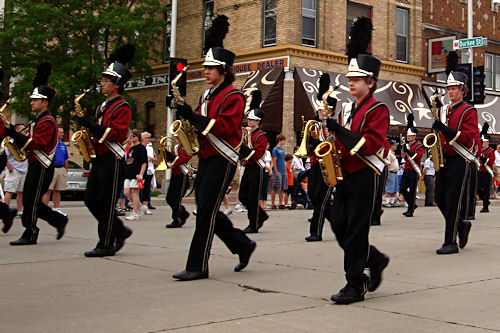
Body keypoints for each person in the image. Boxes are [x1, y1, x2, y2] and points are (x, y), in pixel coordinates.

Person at [172, 14, 256, 280]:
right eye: (205, 68)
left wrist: (193, 115)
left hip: (223, 158)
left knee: (205, 211)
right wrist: (184, 116)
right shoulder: (207, 95)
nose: (205, 71)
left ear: (223, 70)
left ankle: (197, 266)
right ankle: (243, 244)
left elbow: (223, 127)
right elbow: (199, 124)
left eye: (210, 68)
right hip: (207, 156)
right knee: (207, 208)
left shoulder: (234, 96)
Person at [325, 16, 389, 304]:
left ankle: (355, 284)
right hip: (346, 175)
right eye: (349, 79)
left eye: (356, 79)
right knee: (339, 223)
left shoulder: (378, 109)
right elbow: (341, 143)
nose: (350, 83)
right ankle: (374, 259)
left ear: (370, 82)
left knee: (356, 230)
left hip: (365, 175)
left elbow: (368, 145)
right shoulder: (348, 109)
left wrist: (337, 129)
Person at [77, 43, 135, 257]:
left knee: (107, 202)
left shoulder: (122, 106)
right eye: (103, 80)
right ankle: (119, 230)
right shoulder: (103, 106)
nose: (102, 84)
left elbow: (116, 133)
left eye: (106, 81)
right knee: (91, 199)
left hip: (112, 158)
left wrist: (91, 125)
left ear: (117, 85)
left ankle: (106, 243)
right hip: (99, 158)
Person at [7, 62, 68, 246]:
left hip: (42, 166)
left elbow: (38, 143)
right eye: (32, 99)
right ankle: (58, 220)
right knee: (31, 200)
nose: (31, 102)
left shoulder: (48, 121)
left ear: (45, 102)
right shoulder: (39, 119)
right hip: (36, 164)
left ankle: (31, 232)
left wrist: (15, 135)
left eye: (35, 100)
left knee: (30, 200)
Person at [432, 69, 478, 255]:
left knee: (452, 201)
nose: (450, 92)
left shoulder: (469, 110)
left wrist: (445, 129)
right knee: (440, 197)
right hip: (444, 159)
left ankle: (450, 242)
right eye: (449, 88)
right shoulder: (444, 111)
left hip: (459, 159)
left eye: (454, 88)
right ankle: (461, 225)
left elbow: (468, 137)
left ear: (463, 90)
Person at [239, 95, 269, 233]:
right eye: (249, 119)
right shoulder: (249, 134)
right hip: (249, 166)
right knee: (242, 196)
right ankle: (260, 215)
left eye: (252, 119)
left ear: (258, 121)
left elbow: (258, 153)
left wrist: (243, 150)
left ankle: (254, 223)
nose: (249, 121)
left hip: (257, 167)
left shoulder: (260, 135)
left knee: (252, 196)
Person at [164, 135, 192, 228]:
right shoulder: (177, 148)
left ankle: (177, 219)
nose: (176, 139)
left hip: (182, 175)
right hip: (175, 174)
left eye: (178, 137)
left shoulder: (187, 148)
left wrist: (170, 155)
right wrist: (165, 154)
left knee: (176, 199)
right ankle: (183, 213)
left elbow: (181, 160)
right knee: (169, 198)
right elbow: (172, 160)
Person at [400, 116, 423, 217]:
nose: (408, 137)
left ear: (414, 136)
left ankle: (410, 210)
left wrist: (407, 150)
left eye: (410, 136)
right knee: (403, 189)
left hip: (414, 170)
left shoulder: (418, 146)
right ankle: (412, 204)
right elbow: (404, 157)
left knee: (413, 191)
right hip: (407, 169)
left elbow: (417, 157)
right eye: (408, 136)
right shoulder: (408, 145)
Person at [42, 127, 68, 215]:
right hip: (52, 168)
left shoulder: (63, 145)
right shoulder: (51, 144)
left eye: (63, 132)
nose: (62, 134)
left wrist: (65, 169)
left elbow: (66, 158)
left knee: (58, 190)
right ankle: (44, 209)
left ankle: (56, 208)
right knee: (48, 189)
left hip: (61, 169)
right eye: (60, 132)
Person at [3, 124, 28, 217]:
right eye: (23, 130)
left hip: (24, 170)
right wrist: (9, 168)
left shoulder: (24, 141)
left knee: (20, 192)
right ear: (17, 131)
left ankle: (19, 210)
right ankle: (5, 211)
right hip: (14, 170)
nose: (25, 132)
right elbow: (5, 156)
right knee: (9, 191)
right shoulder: (10, 142)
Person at [123, 129, 148, 221]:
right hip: (129, 174)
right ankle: (141, 206)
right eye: (130, 136)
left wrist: (141, 174)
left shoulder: (141, 148)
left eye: (133, 136)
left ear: (138, 137)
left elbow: (144, 162)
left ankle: (135, 212)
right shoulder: (131, 148)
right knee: (126, 192)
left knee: (135, 192)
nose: (131, 138)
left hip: (137, 174)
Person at [477, 131, 495, 213]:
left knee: (486, 190)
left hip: (486, 172)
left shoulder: (491, 151)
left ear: (487, 142)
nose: (482, 143)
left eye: (483, 142)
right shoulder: (479, 150)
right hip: (479, 171)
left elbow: (491, 161)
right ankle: (485, 201)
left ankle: (485, 206)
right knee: (477, 189)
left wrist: (485, 160)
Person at [140, 131, 156, 215]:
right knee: (139, 188)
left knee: (146, 188)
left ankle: (145, 206)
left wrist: (151, 158)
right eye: (147, 138)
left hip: (149, 170)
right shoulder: (140, 147)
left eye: (149, 138)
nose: (149, 139)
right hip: (141, 170)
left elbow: (155, 158)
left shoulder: (150, 147)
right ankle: (139, 205)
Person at [271, 134, 287, 209]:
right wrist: (276, 170)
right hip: (278, 170)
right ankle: (273, 203)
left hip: (283, 169)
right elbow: (274, 161)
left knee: (282, 188)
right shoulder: (275, 149)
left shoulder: (282, 150)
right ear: (280, 140)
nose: (284, 142)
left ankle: (281, 203)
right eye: (283, 140)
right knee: (275, 187)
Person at [384, 140, 399, 207]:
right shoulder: (389, 153)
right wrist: (388, 174)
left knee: (394, 188)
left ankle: (392, 202)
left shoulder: (393, 153)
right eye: (395, 145)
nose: (396, 146)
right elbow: (388, 164)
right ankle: (387, 202)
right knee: (389, 188)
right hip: (391, 172)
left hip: (395, 173)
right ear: (392, 146)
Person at [259, 143, 272, 211]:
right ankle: (261, 205)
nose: (268, 146)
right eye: (267, 144)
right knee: (262, 187)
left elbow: (271, 161)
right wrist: (268, 168)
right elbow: (261, 162)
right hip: (263, 170)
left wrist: (270, 169)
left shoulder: (268, 152)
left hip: (268, 171)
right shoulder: (261, 152)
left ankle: (264, 204)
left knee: (266, 188)